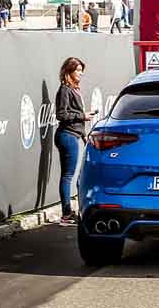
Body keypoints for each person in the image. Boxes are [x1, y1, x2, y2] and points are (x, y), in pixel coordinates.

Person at [54, 57, 96, 227]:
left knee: (71, 175)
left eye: (81, 71)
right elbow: (61, 115)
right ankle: (66, 215)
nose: (81, 73)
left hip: (74, 135)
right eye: (78, 70)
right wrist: (82, 116)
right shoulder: (64, 89)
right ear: (69, 71)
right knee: (68, 176)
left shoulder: (74, 89)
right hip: (67, 136)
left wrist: (85, 135)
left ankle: (70, 213)